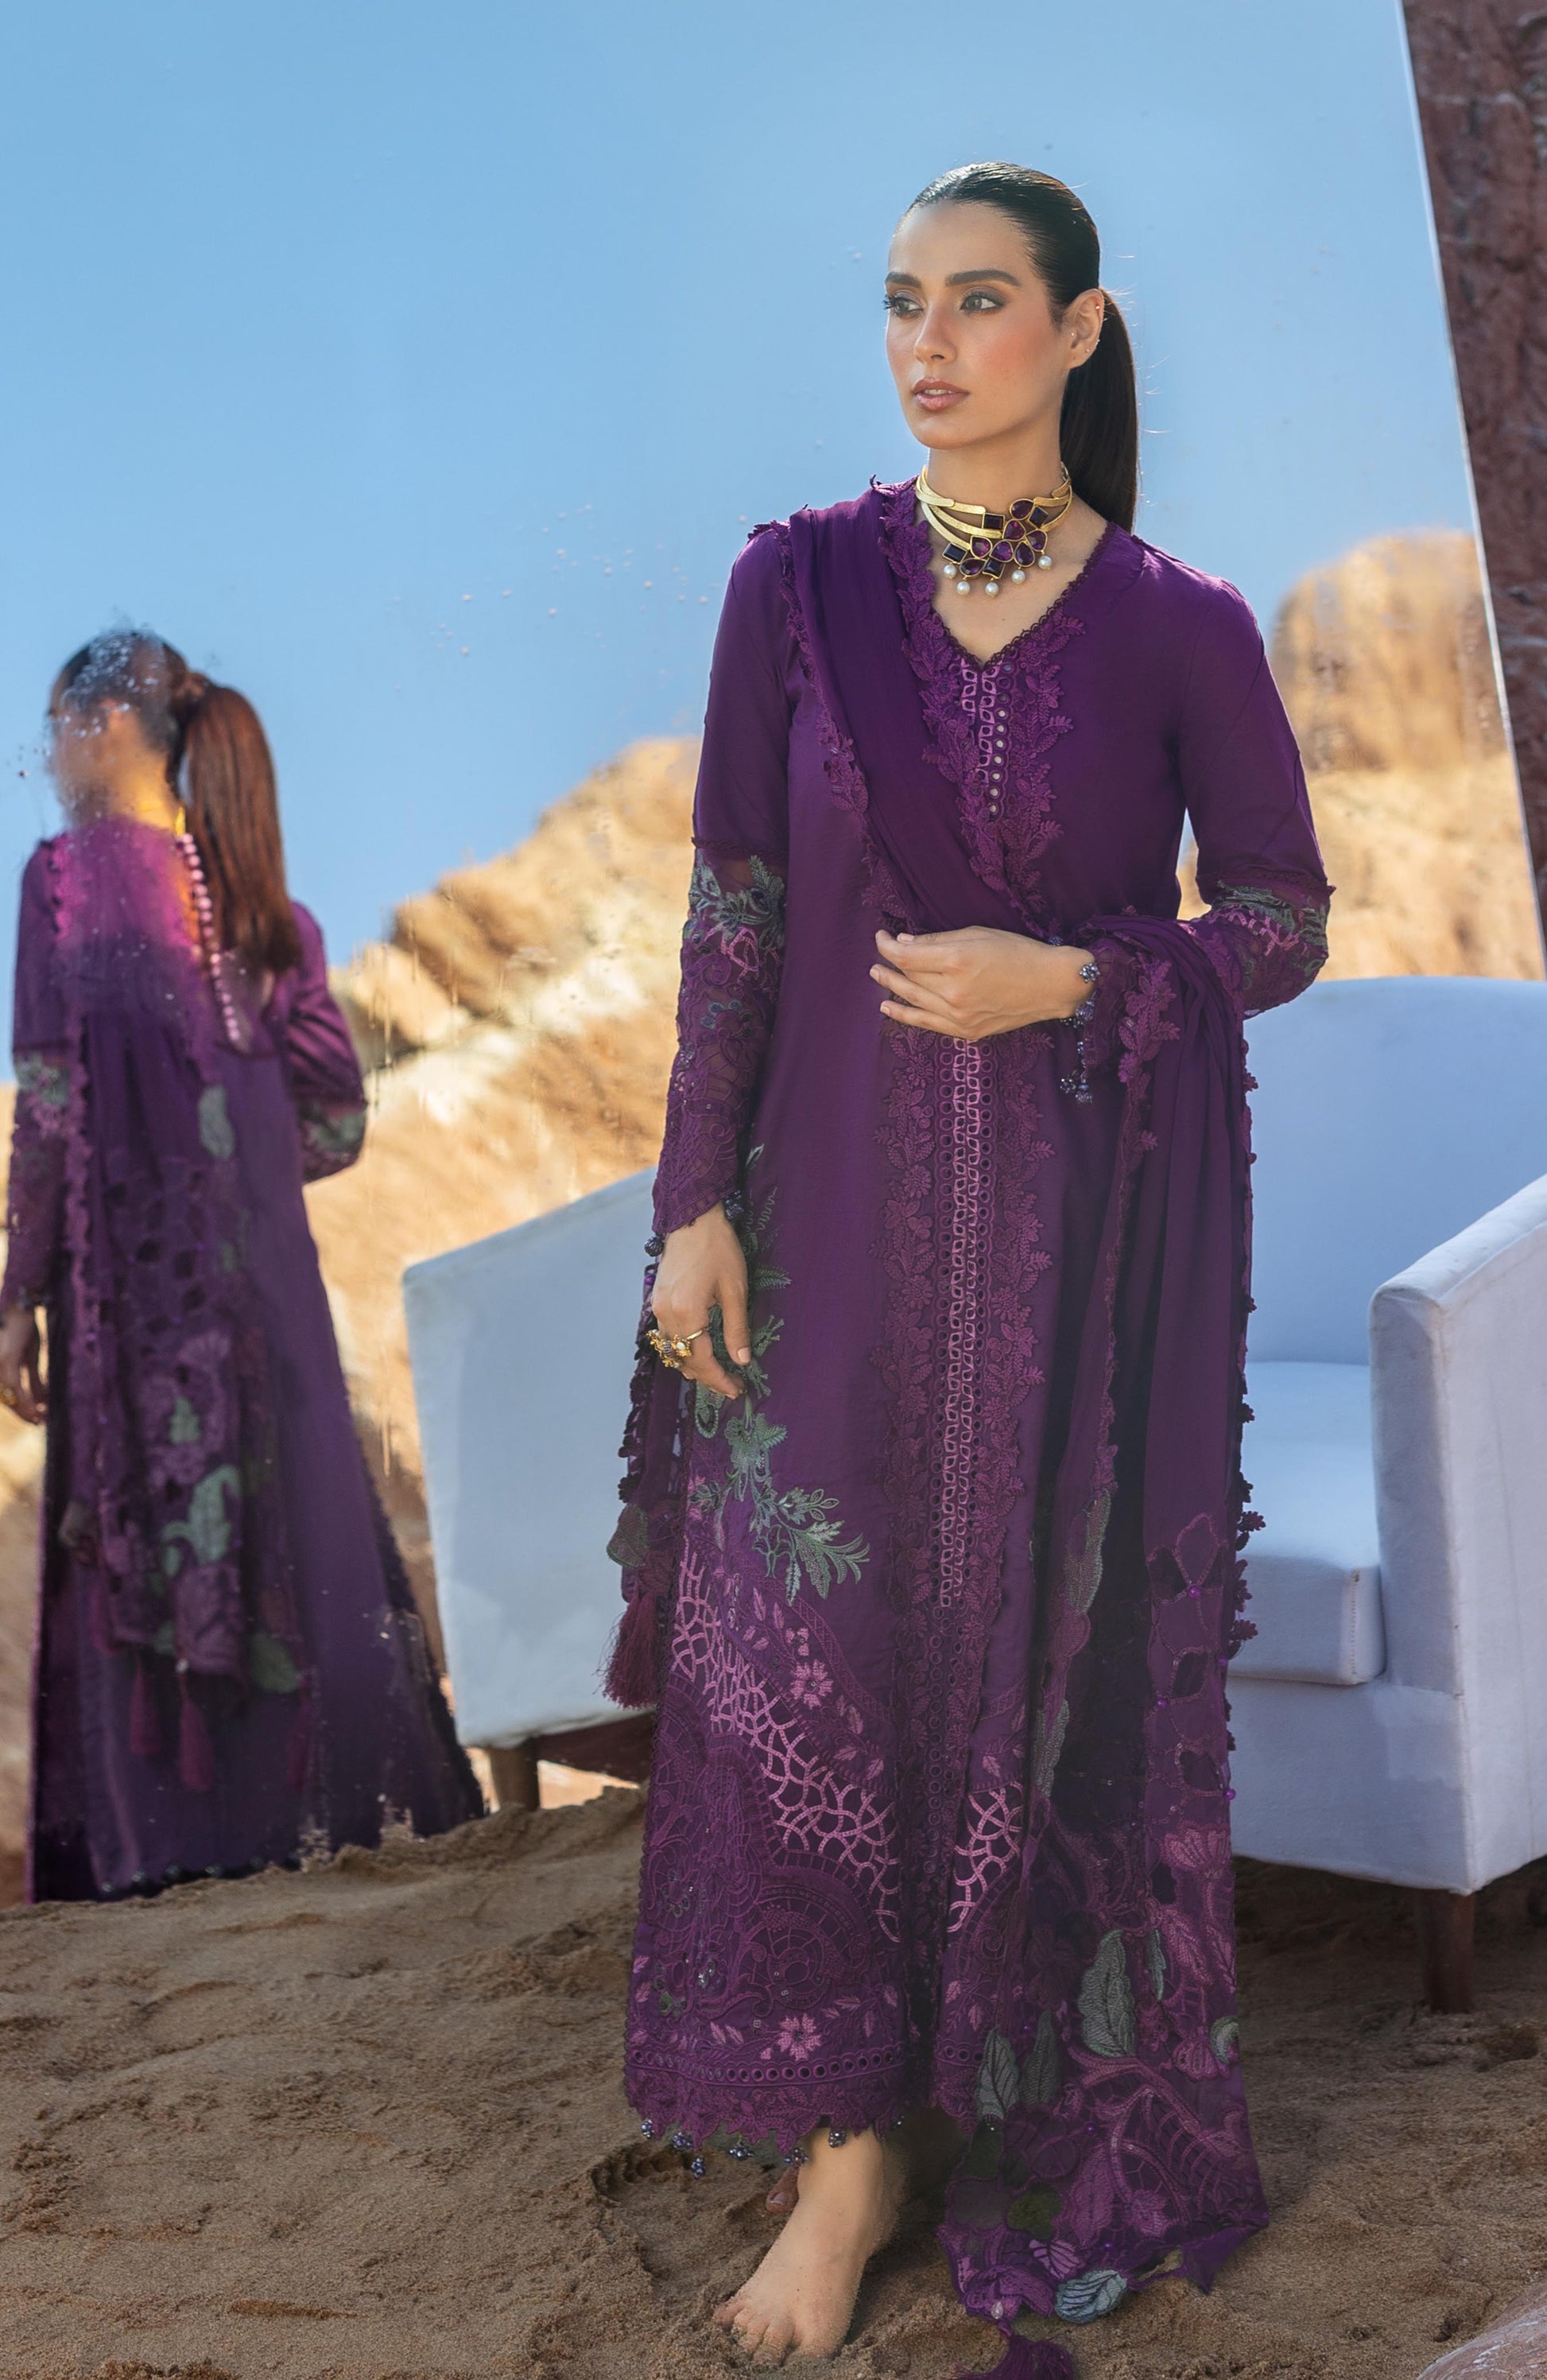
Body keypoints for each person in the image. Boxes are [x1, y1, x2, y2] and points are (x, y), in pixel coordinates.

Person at [605, 164, 1332, 2373]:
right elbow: (733, 912)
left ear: (1077, 331)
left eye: (979, 300)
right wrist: (691, 1202)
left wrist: (1076, 980)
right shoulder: (798, 590)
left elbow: (1280, 919)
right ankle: (847, 2163)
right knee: (812, 1657)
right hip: (821, 1222)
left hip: (1075, 1258)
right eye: (902, 302)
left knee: (1038, 1666)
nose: (928, 343)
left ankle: (993, 2104)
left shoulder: (1183, 625)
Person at [0, 631, 483, 1902]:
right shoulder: (265, 907)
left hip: (129, 1293)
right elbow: (336, 1116)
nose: (49, 757)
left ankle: (172, 1838)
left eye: (57, 728)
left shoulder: (61, 882)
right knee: (296, 1520)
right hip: (263, 1292)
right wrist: (233, 1170)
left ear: (111, 725)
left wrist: (17, 1294)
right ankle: (332, 1812)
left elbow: (46, 1104)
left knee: (147, 1536)